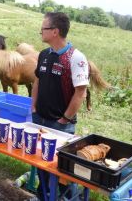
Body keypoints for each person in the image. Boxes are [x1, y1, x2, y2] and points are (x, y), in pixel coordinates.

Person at [31, 12, 89, 200]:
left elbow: (81, 92)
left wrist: (64, 118)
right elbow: (37, 82)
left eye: (43, 28)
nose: (40, 32)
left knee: (61, 171)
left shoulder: (76, 58)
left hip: (60, 125)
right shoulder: (44, 54)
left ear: (55, 31)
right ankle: (43, 196)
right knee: (40, 163)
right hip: (39, 119)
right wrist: (33, 108)